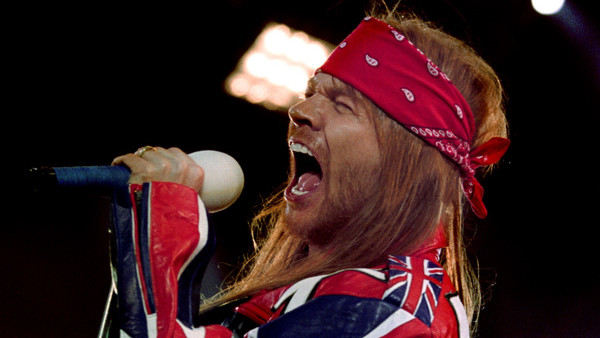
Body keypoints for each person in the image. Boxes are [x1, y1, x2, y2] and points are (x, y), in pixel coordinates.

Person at [110, 7, 509, 338]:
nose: (299, 112)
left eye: (342, 104)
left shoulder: (387, 317)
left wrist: (162, 224)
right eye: (311, 93)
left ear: (404, 160)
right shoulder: (338, 298)